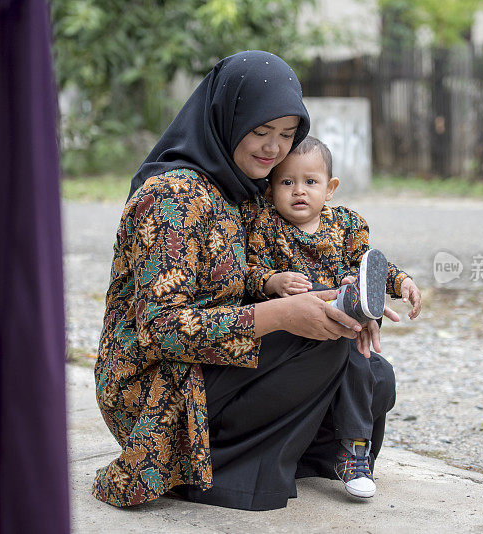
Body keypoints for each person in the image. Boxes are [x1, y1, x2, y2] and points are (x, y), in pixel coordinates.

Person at [91, 50, 390, 512]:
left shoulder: (243, 191)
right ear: (225, 119)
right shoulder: (171, 196)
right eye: (260, 131)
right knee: (326, 347)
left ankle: (267, 454)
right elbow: (161, 329)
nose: (274, 148)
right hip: (159, 387)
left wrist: (345, 305)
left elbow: (265, 285)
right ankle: (198, 466)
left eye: (287, 136)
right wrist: (284, 315)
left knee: (373, 373)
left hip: (212, 365)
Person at [245, 135, 422, 498]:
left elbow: (371, 265)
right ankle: (348, 451)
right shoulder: (266, 226)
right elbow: (248, 272)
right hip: (293, 331)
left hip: (339, 319)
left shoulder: (346, 225)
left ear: (329, 189)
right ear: (270, 188)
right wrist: (273, 280)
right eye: (286, 182)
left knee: (365, 357)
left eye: (310, 182)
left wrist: (400, 281)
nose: (298, 191)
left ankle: (354, 451)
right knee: (350, 349)